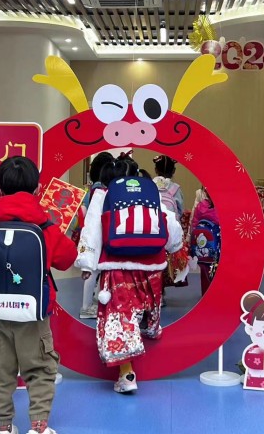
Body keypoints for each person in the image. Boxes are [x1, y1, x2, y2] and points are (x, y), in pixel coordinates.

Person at [0, 156, 77, 434]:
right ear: (37, 189)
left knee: (0, 369)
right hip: (33, 310)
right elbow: (67, 258)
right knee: (39, 367)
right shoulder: (44, 226)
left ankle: (3, 426)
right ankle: (38, 426)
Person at [75, 158, 183, 394]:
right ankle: (149, 334)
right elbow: (168, 221)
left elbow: (92, 229)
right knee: (145, 308)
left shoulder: (103, 194)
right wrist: (175, 246)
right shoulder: (148, 191)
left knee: (119, 316)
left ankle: (127, 374)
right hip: (151, 265)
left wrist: (87, 263)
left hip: (117, 265)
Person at [78, 151, 114, 319]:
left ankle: (89, 304)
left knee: (92, 270)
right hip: (99, 233)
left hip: (91, 234)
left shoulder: (91, 189)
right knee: (94, 271)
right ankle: (87, 306)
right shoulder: (103, 191)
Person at [189, 186, 220, 296]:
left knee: (205, 268)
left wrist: (191, 241)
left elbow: (194, 223)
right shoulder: (222, 207)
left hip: (203, 245)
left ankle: (206, 294)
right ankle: (217, 293)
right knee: (219, 269)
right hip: (219, 244)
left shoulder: (201, 205)